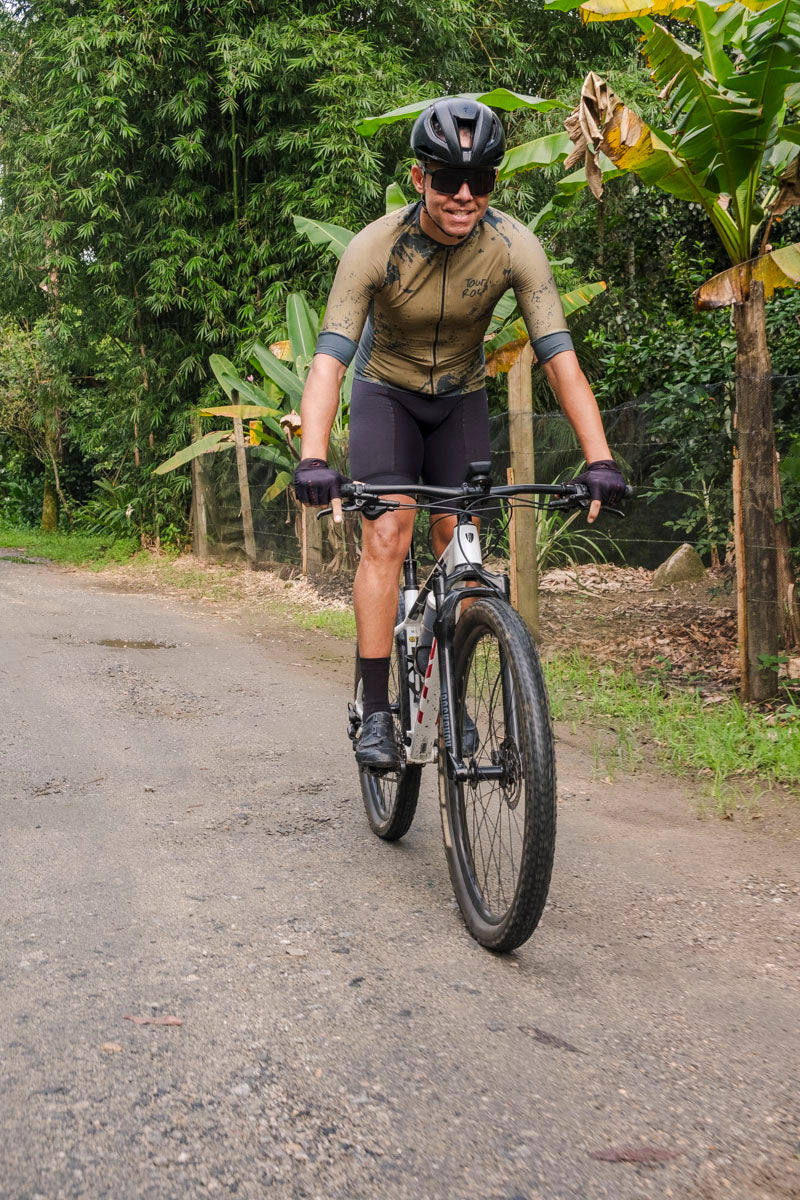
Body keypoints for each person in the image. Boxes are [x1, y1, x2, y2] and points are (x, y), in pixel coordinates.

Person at [294, 97, 625, 770]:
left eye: (482, 180)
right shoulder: (374, 248)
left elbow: (562, 362)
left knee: (462, 550)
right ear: (421, 179)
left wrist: (599, 458)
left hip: (461, 399)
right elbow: (329, 361)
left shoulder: (513, 247)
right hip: (386, 393)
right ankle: (377, 707)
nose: (464, 195)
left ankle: (451, 696)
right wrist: (312, 455)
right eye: (447, 178)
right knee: (389, 531)